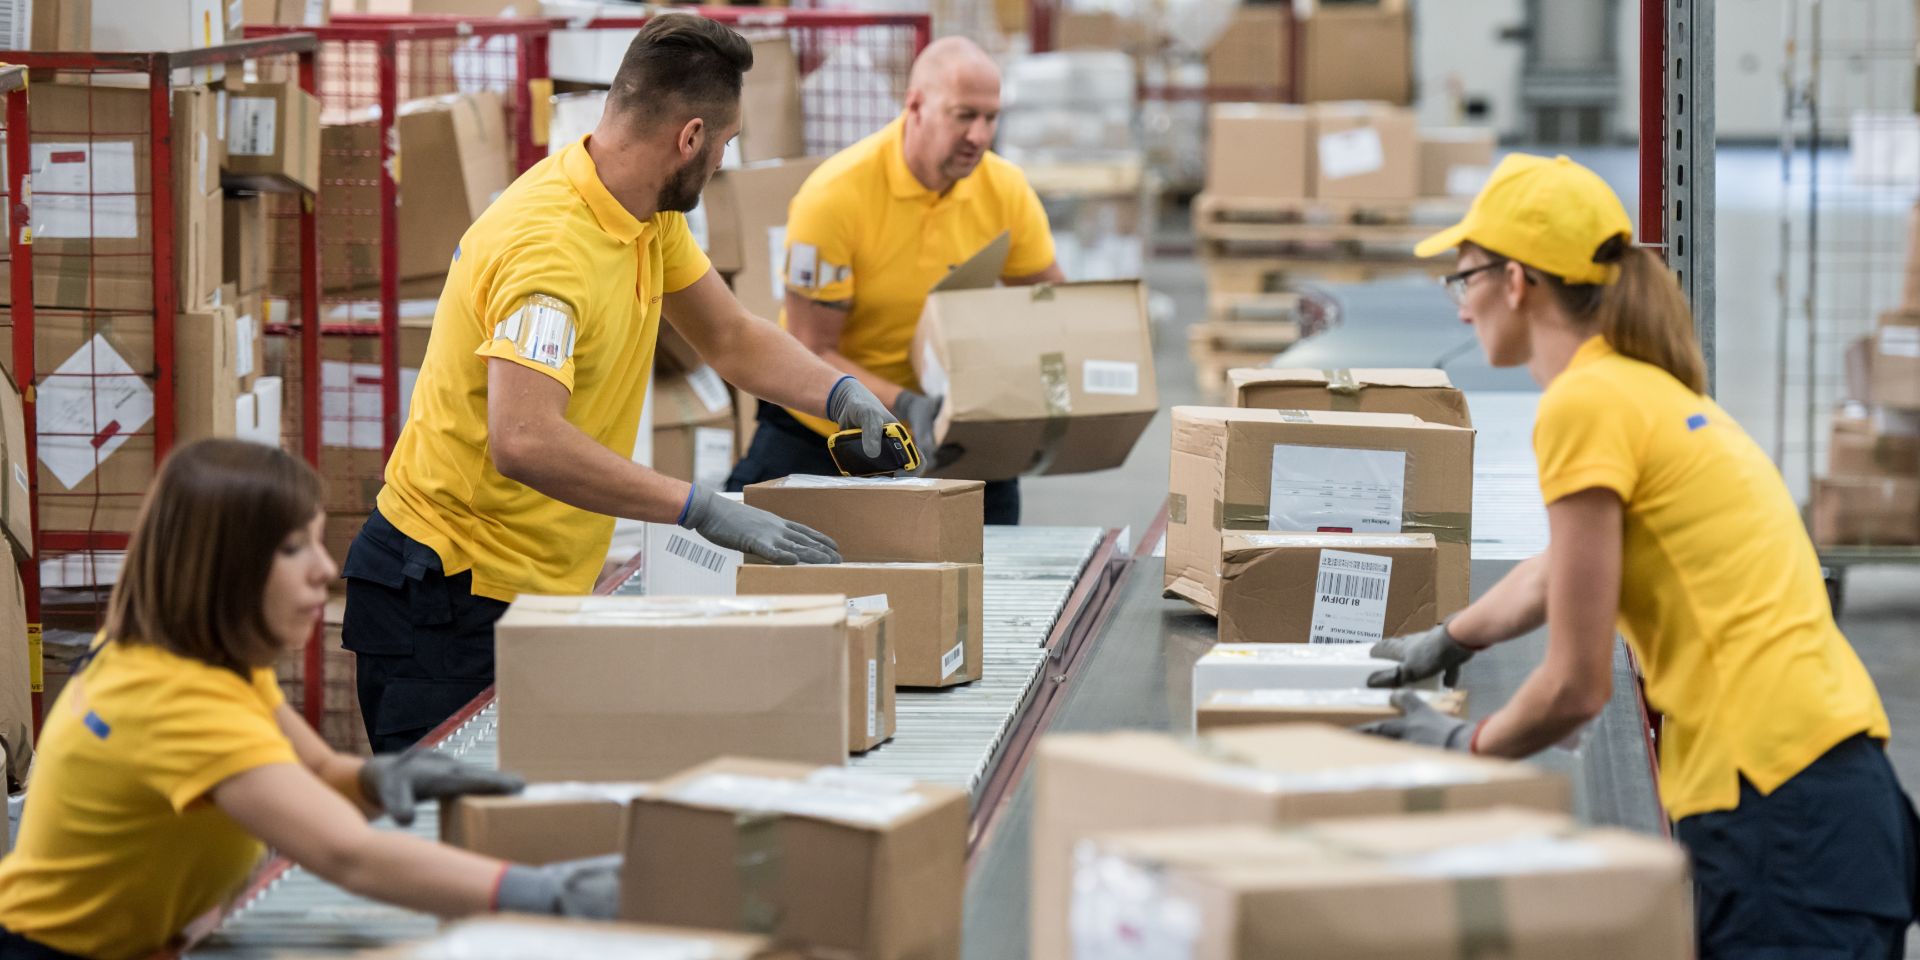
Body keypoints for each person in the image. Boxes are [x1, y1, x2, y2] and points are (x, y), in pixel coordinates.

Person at [1361, 153, 1918, 956]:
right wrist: (1452, 638)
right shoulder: (1648, 392)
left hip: (1777, 816)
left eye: (1466, 278)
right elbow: (1561, 568)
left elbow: (1575, 687)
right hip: (1831, 795)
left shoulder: (1584, 404)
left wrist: (1461, 747)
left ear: (1518, 281)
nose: (1461, 309)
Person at [344, 14, 902, 751]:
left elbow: (730, 338)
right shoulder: (548, 253)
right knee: (447, 845)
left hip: (532, 591)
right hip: (448, 599)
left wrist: (836, 396)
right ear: (690, 138)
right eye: (727, 145)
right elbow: (524, 439)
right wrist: (697, 508)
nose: (725, 163)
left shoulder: (642, 213)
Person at [0, 440, 617, 960]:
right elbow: (344, 854)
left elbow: (316, 772)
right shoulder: (173, 699)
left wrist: (381, 778)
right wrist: (545, 895)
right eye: (294, 548)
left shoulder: (196, 653)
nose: (326, 569)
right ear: (222, 568)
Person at [723, 36, 1065, 524]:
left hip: (950, 431)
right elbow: (809, 349)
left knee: (994, 572)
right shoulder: (836, 197)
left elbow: (1052, 305)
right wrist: (905, 404)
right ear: (916, 106)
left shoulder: (1005, 190)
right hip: (830, 433)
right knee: (751, 559)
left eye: (991, 117)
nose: (980, 135)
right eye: (964, 115)